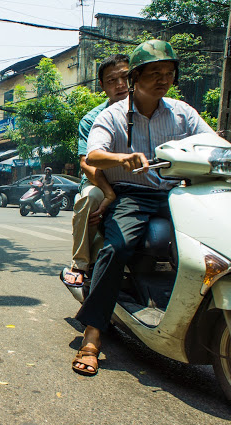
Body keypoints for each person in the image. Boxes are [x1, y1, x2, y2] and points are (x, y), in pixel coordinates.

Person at [71, 40, 215, 376]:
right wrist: (122, 157)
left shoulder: (183, 112)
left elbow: (212, 144)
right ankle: (92, 335)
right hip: (132, 194)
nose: (163, 78)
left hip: (177, 194)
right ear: (137, 77)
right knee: (116, 247)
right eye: (154, 73)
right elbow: (92, 156)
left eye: (168, 73)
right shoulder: (112, 115)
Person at [61, 54, 129, 287]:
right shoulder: (93, 119)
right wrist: (109, 193)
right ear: (102, 86)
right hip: (100, 182)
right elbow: (86, 163)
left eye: (126, 77)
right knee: (88, 200)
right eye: (112, 80)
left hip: (139, 183)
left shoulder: (153, 111)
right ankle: (79, 264)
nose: (120, 84)